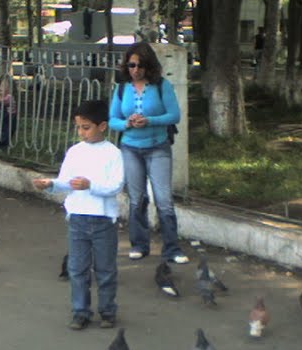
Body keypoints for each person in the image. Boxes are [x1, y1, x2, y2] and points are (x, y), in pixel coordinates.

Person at [32, 99, 124, 330]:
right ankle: (80, 311)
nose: (81, 132)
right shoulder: (75, 151)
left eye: (86, 127)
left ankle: (107, 311)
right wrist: (50, 184)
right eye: (78, 127)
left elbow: (115, 186)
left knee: (105, 269)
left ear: (102, 126)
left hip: (103, 219)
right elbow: (66, 182)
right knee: (77, 269)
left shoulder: (113, 153)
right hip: (77, 218)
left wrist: (90, 185)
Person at [108, 41, 187, 264]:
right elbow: (113, 119)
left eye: (140, 66)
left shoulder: (161, 86)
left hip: (158, 147)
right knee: (137, 198)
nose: (135, 70)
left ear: (149, 66)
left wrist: (150, 120)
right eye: (131, 65)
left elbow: (174, 115)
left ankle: (172, 248)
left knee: (163, 199)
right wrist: (128, 124)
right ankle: (139, 244)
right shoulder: (122, 88)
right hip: (130, 148)